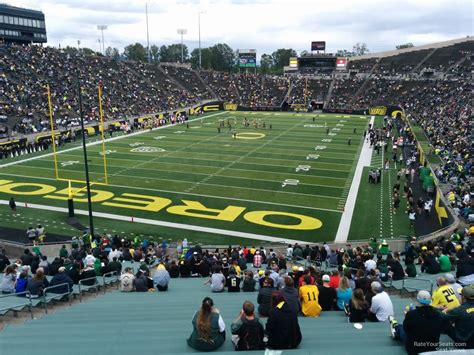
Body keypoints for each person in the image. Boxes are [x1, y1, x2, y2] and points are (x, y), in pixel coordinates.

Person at [442, 284, 474, 349]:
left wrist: (443, 311)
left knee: (444, 322)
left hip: (464, 342)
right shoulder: (459, 310)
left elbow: (442, 317)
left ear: (464, 297)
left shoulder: (458, 311)